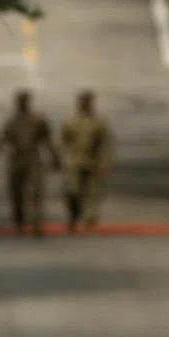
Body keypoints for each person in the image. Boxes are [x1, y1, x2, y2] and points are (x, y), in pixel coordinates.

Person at [0, 90, 60, 237]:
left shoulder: (38, 120)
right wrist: (6, 150)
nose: (22, 104)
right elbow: (3, 140)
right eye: (20, 101)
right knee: (16, 193)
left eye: (24, 101)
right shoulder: (11, 122)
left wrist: (55, 158)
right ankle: (19, 223)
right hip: (17, 160)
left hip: (33, 159)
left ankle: (36, 225)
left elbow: (47, 139)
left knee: (36, 192)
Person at [61, 90, 113, 232]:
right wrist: (58, 159)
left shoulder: (99, 123)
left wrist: (106, 163)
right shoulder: (70, 122)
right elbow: (62, 142)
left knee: (92, 193)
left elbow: (107, 144)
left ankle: (90, 220)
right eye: (82, 102)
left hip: (93, 162)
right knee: (73, 191)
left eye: (87, 102)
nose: (85, 105)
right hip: (75, 162)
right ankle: (74, 215)